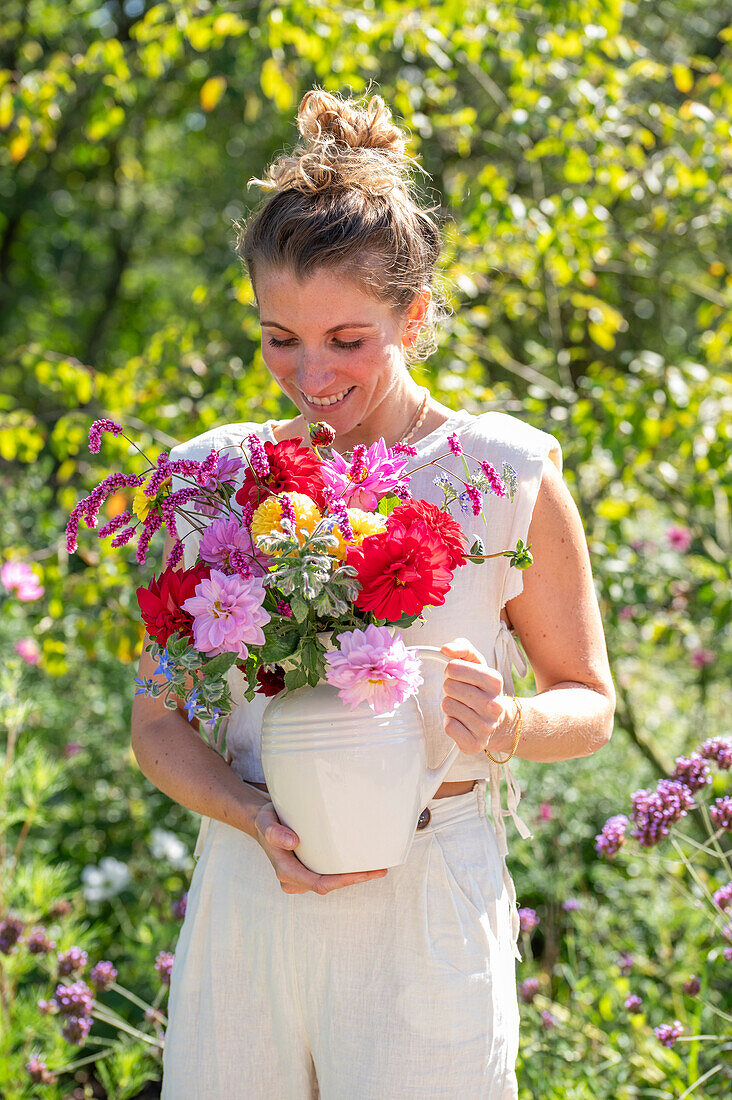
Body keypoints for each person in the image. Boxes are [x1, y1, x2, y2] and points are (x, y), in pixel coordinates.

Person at [131, 88, 615, 1099]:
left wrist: (513, 718)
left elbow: (591, 701)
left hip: (427, 900)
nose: (310, 372)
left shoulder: (504, 471)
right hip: (248, 897)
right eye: (278, 337)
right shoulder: (211, 478)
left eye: (347, 339)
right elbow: (158, 723)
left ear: (415, 313)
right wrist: (253, 816)